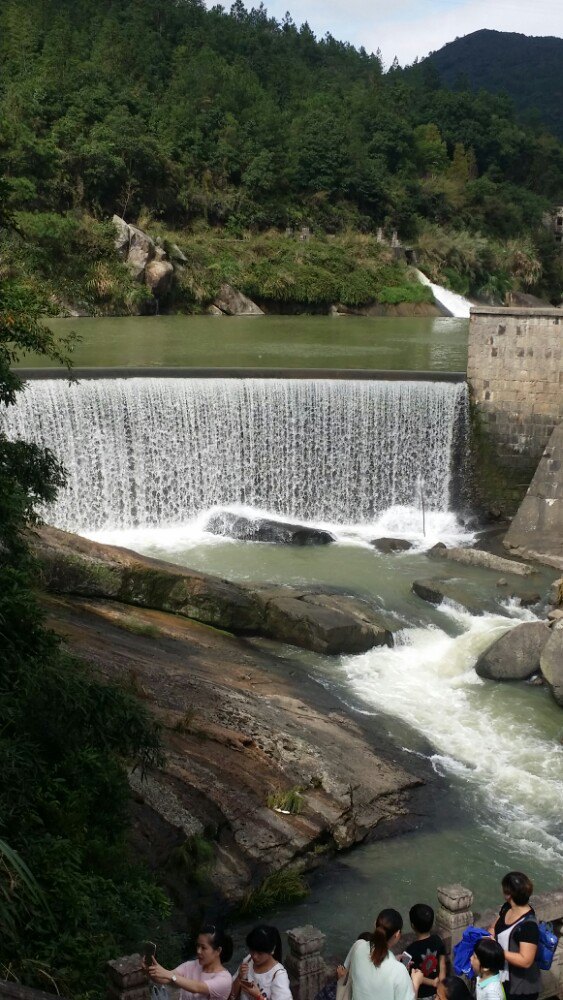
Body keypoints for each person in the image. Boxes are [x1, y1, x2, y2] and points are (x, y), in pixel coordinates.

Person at [146, 925, 233, 1000]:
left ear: (218, 951)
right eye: (198, 946)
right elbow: (165, 978)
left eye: (203, 947)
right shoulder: (191, 965)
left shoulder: (224, 979)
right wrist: (150, 970)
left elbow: (197, 987)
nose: (198, 951)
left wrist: (170, 975)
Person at [343, 909, 414, 1000]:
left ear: (375, 923)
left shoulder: (358, 946)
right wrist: (416, 982)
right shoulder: (400, 972)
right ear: (397, 935)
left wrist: (394, 961)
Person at [493, 872, 540, 1000]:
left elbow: (526, 960)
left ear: (508, 894)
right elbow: (494, 927)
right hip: (503, 976)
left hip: (521, 988)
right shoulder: (507, 907)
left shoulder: (528, 926)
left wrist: (496, 951)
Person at [231, 925, 292, 1000]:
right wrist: (239, 977)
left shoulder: (278, 976)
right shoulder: (248, 960)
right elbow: (232, 994)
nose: (254, 956)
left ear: (272, 950)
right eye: (252, 950)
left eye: (260, 953)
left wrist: (258, 996)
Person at [407, 903, 446, 998]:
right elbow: (442, 965)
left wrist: (432, 982)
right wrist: (441, 985)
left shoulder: (410, 949)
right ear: (432, 924)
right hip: (437, 991)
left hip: (421, 994)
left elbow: (412, 975)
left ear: (412, 925)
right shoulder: (437, 940)